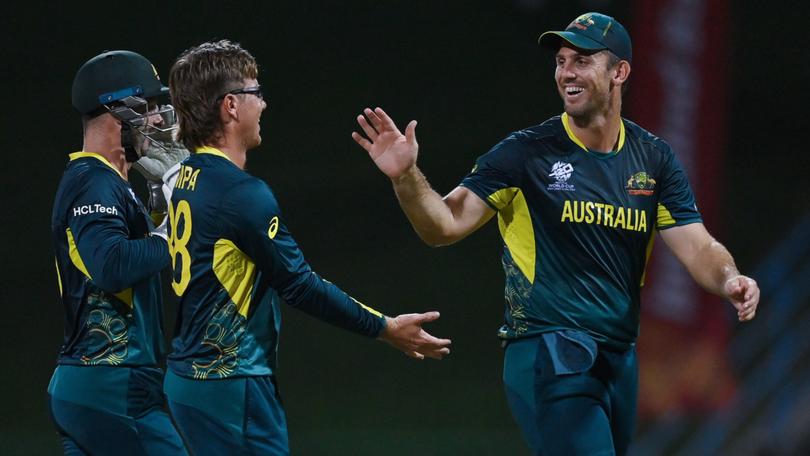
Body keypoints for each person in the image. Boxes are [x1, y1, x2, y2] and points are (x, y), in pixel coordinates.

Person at [352, 12, 760, 456]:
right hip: (547, 350)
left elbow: (697, 244)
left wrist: (728, 278)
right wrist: (406, 177)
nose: (566, 71)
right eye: (562, 60)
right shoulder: (524, 154)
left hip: (618, 360)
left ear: (619, 72)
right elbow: (443, 226)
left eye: (582, 60)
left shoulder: (653, 159)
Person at [163, 39, 451, 456]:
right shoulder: (242, 194)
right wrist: (386, 328)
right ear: (230, 106)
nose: (262, 104)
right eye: (254, 93)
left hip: (188, 379)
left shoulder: (185, 178)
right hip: (230, 386)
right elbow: (299, 285)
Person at [49, 50, 188, 454]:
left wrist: (161, 202)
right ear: (116, 110)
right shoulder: (94, 181)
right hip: (112, 382)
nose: (160, 119)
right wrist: (176, 231)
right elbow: (111, 266)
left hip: (93, 385)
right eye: (147, 107)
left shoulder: (107, 181)